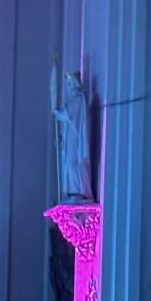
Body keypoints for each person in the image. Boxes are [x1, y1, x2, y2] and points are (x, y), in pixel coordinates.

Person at [51, 64, 94, 202]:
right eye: (67, 84)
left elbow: (66, 115)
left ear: (76, 84)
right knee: (67, 163)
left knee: (72, 163)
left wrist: (57, 112)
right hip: (70, 137)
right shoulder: (74, 100)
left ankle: (78, 190)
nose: (69, 86)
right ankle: (72, 191)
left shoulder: (79, 99)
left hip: (76, 139)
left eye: (70, 83)